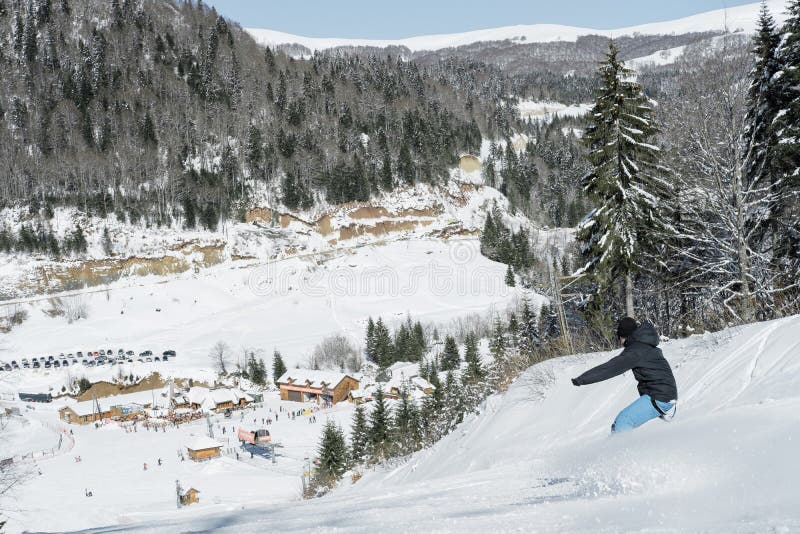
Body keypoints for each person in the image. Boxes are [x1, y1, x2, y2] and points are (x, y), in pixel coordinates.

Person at [571, 317, 678, 433]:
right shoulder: (644, 344)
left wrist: (582, 379)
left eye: (619, 338)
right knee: (623, 422)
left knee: (623, 421)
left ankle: (621, 450)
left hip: (659, 396)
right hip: (664, 394)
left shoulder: (635, 351)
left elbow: (610, 368)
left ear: (623, 336)